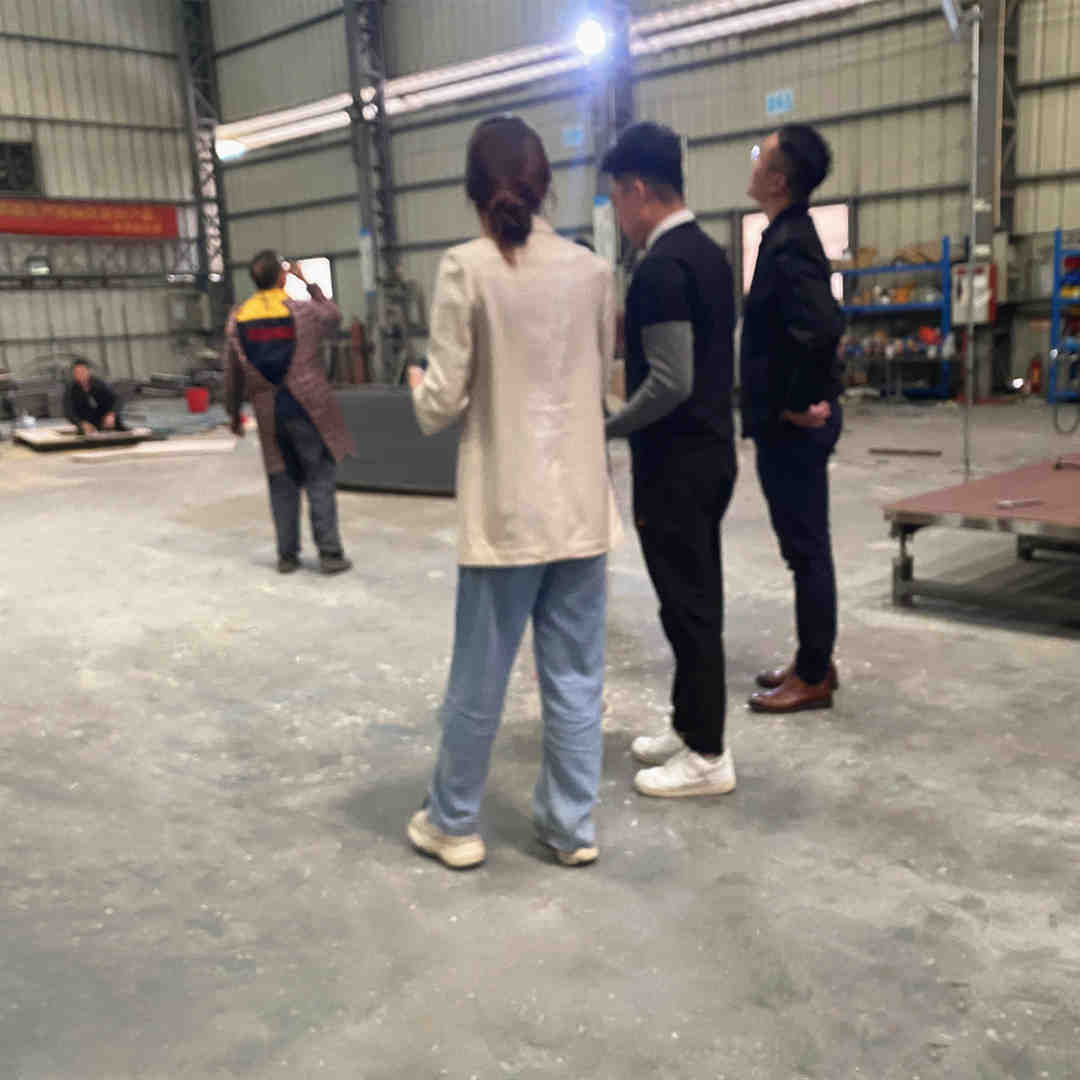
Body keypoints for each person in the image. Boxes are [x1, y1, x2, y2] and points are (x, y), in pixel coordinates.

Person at [405, 116, 619, 870]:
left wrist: (417, 383)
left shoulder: (466, 269)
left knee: (480, 675)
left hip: (506, 512)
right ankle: (570, 826)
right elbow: (605, 382)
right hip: (582, 509)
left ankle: (454, 821)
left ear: (473, 189)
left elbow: (440, 403)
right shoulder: (592, 272)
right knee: (575, 678)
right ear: (544, 185)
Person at [602, 122, 738, 799]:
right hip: (708, 453)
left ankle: (708, 755)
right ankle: (691, 725)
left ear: (637, 190)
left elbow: (670, 380)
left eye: (614, 200)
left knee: (688, 607)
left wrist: (606, 426)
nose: (616, 216)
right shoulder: (707, 253)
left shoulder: (660, 267)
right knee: (690, 600)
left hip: (677, 465)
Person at [742, 124, 846, 713]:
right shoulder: (784, 235)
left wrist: (794, 403)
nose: (753, 162)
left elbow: (821, 327)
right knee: (803, 549)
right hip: (785, 423)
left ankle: (812, 676)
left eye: (760, 155)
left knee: (806, 551)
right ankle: (814, 659)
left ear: (779, 180)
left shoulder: (790, 243)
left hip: (791, 429)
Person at [224, 252, 354, 575]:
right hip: (309, 408)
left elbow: (232, 373)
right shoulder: (303, 312)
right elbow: (334, 316)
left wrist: (233, 414)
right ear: (282, 277)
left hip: (269, 414)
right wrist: (308, 283)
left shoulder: (238, 318)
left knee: (281, 481)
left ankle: (287, 556)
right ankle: (330, 554)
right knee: (319, 478)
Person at [65, 360, 126, 435]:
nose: (80, 375)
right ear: (74, 374)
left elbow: (118, 399)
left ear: (88, 372)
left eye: (83, 371)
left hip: (107, 421)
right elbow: (68, 412)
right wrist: (80, 423)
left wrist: (112, 414)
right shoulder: (70, 389)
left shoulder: (99, 384)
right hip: (87, 424)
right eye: (77, 372)